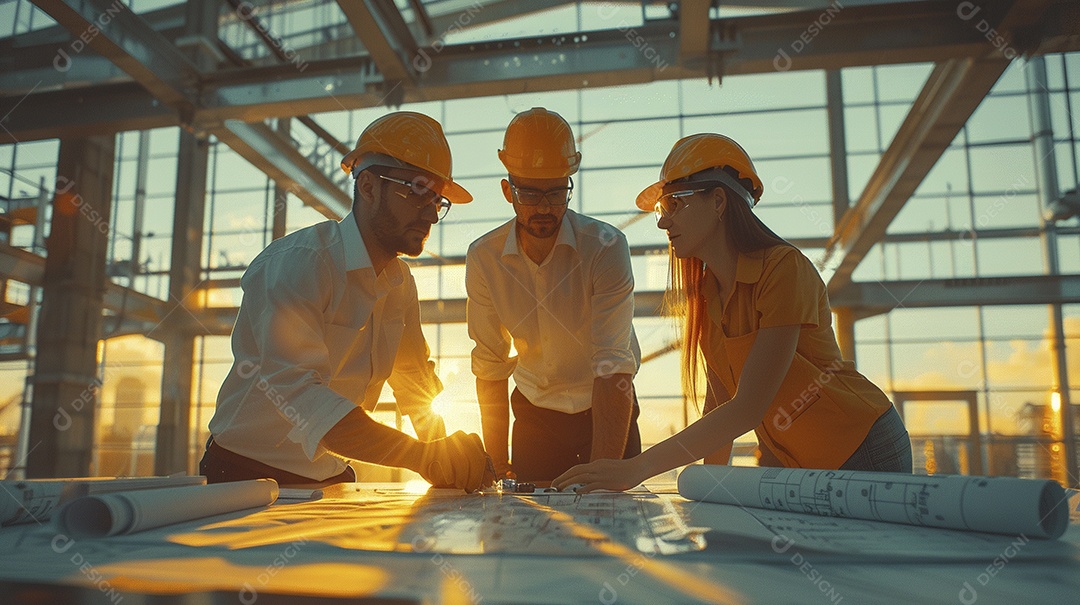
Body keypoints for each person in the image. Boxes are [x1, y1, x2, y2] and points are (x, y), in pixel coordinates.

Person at [553, 133, 912, 492]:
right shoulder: (710, 295)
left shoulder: (784, 269)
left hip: (863, 447)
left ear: (719, 201)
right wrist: (712, 489)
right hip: (801, 464)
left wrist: (636, 468)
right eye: (663, 210)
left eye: (674, 204)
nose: (663, 223)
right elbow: (720, 404)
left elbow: (748, 407)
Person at [201, 111, 492, 492]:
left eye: (438, 199)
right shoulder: (300, 264)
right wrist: (422, 456)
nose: (431, 213)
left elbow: (414, 381)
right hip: (244, 477)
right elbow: (302, 397)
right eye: (418, 190)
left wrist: (444, 455)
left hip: (329, 476)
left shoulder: (399, 283)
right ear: (368, 187)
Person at [466, 107, 642, 483]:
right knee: (529, 530)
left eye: (557, 191)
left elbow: (612, 364)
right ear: (507, 190)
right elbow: (491, 366)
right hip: (536, 414)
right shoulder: (484, 258)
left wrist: (602, 478)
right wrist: (496, 464)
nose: (545, 207)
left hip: (607, 408)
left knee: (615, 523)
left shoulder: (606, 247)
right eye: (529, 192)